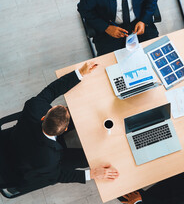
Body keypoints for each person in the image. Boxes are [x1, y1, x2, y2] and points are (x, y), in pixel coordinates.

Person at [8, 62, 119, 194]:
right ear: (64, 129)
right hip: (29, 166)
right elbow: (58, 175)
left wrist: (80, 73)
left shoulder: (34, 107)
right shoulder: (49, 160)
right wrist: (92, 174)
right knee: (86, 159)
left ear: (45, 117)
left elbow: (51, 90)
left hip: (22, 137)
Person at [78, 0, 159, 55]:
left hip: (139, 21)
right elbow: (83, 9)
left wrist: (144, 20)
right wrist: (106, 27)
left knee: (155, 54)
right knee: (110, 63)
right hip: (109, 25)